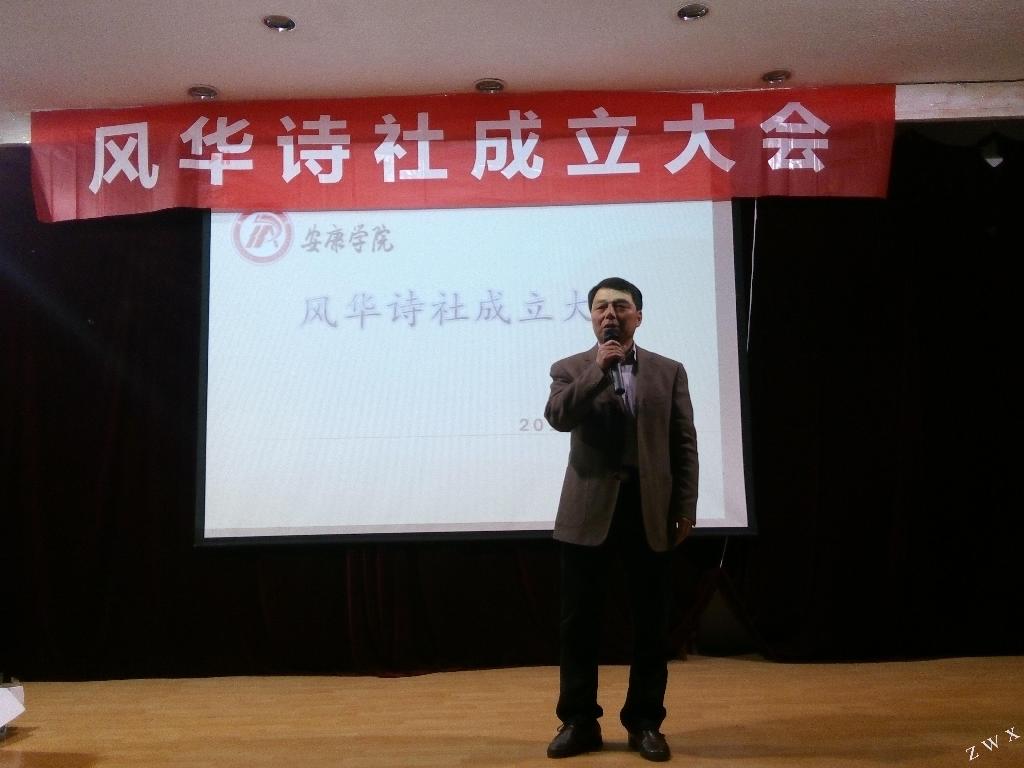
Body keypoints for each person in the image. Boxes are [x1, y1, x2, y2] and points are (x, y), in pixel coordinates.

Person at [544, 277, 698, 762]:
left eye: (621, 306)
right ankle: (578, 721)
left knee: (651, 625)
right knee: (578, 625)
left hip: (648, 510)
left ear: (638, 316)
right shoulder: (570, 368)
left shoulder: (669, 371)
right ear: (592, 317)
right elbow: (558, 416)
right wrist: (597, 370)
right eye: (601, 307)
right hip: (588, 512)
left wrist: (685, 507)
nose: (610, 313)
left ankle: (645, 722)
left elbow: (683, 443)